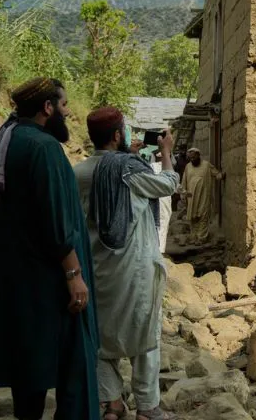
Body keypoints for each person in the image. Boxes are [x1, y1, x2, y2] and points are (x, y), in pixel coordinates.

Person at [0, 77, 100, 420]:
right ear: (48, 108)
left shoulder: (7, 139)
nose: (65, 112)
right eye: (63, 106)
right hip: (51, 279)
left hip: (20, 275)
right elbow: (56, 220)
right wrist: (74, 274)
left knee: (29, 366)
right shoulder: (43, 148)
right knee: (75, 364)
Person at [73, 107, 179, 420]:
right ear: (118, 135)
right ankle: (147, 407)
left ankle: (112, 403)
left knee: (102, 335)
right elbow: (169, 182)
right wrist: (166, 151)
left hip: (96, 268)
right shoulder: (131, 170)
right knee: (144, 333)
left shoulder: (78, 173)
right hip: (135, 271)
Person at [179, 147, 223, 244]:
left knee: (203, 216)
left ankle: (201, 238)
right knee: (193, 217)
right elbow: (184, 180)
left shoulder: (206, 165)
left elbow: (216, 173)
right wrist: (183, 193)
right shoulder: (188, 166)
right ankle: (194, 236)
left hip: (204, 196)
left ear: (198, 156)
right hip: (191, 196)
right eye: (190, 158)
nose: (192, 160)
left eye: (194, 157)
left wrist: (221, 175)